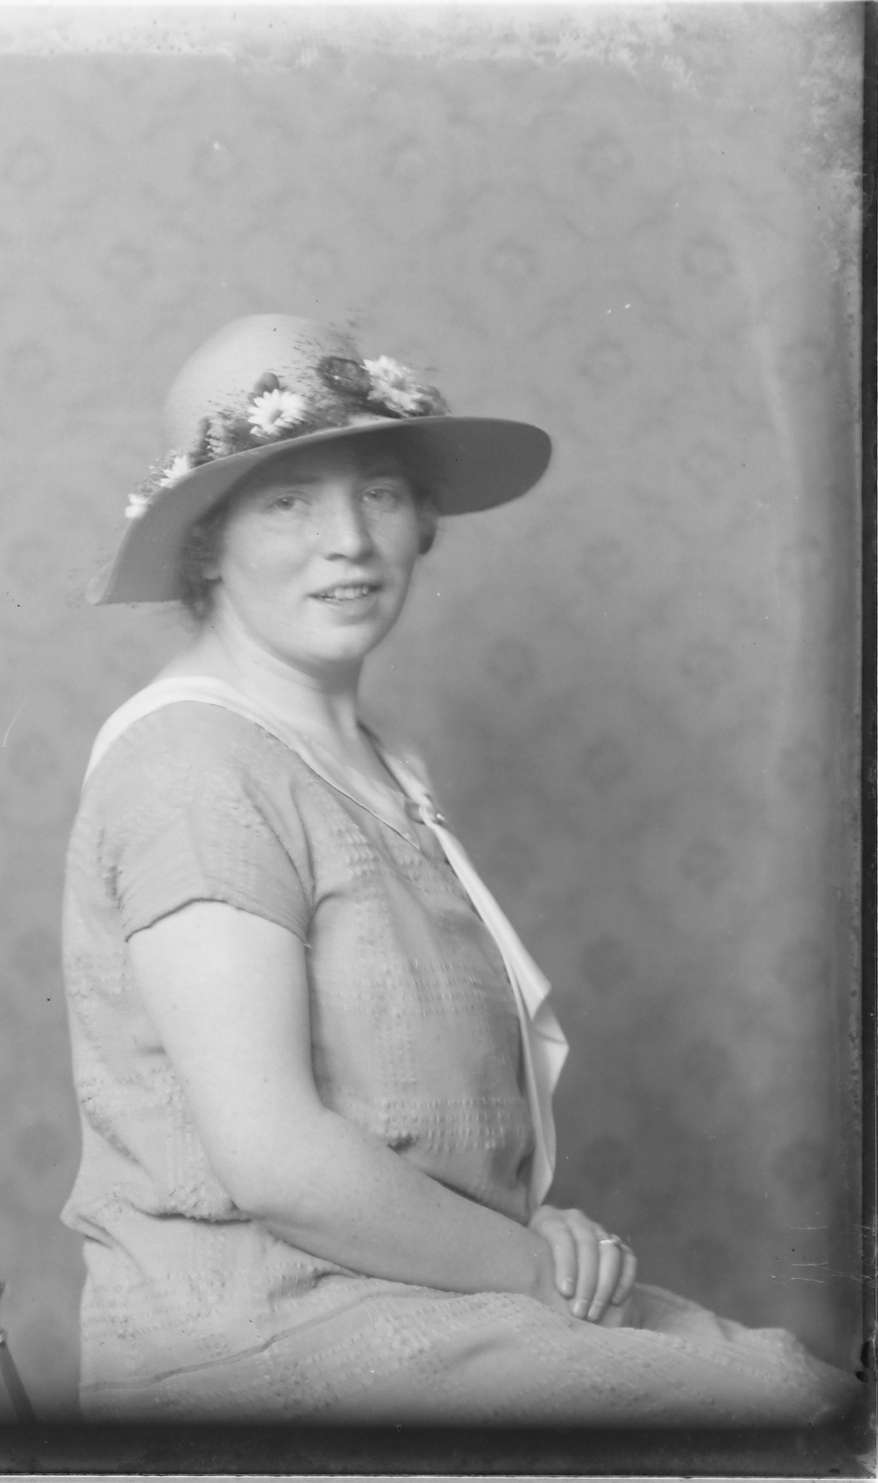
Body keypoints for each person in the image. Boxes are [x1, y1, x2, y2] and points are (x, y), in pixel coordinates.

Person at [60, 313, 859, 1425]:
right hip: (257, 1338)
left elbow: (418, 1126)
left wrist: (533, 1238)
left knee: (807, 1391)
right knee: (786, 1417)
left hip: (428, 1294)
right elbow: (275, 1160)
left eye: (380, 491)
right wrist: (528, 1263)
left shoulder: (368, 761)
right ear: (205, 543)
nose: (349, 539)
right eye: (287, 501)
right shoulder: (194, 765)